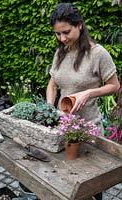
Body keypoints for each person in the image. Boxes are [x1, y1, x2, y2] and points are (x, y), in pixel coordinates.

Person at [46, 3, 120, 200]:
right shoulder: (60, 52)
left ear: (79, 25)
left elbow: (115, 86)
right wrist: (48, 108)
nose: (61, 39)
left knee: (91, 188)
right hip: (64, 129)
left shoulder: (98, 54)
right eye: (57, 34)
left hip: (89, 133)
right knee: (65, 186)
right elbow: (52, 84)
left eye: (66, 32)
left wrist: (88, 93)